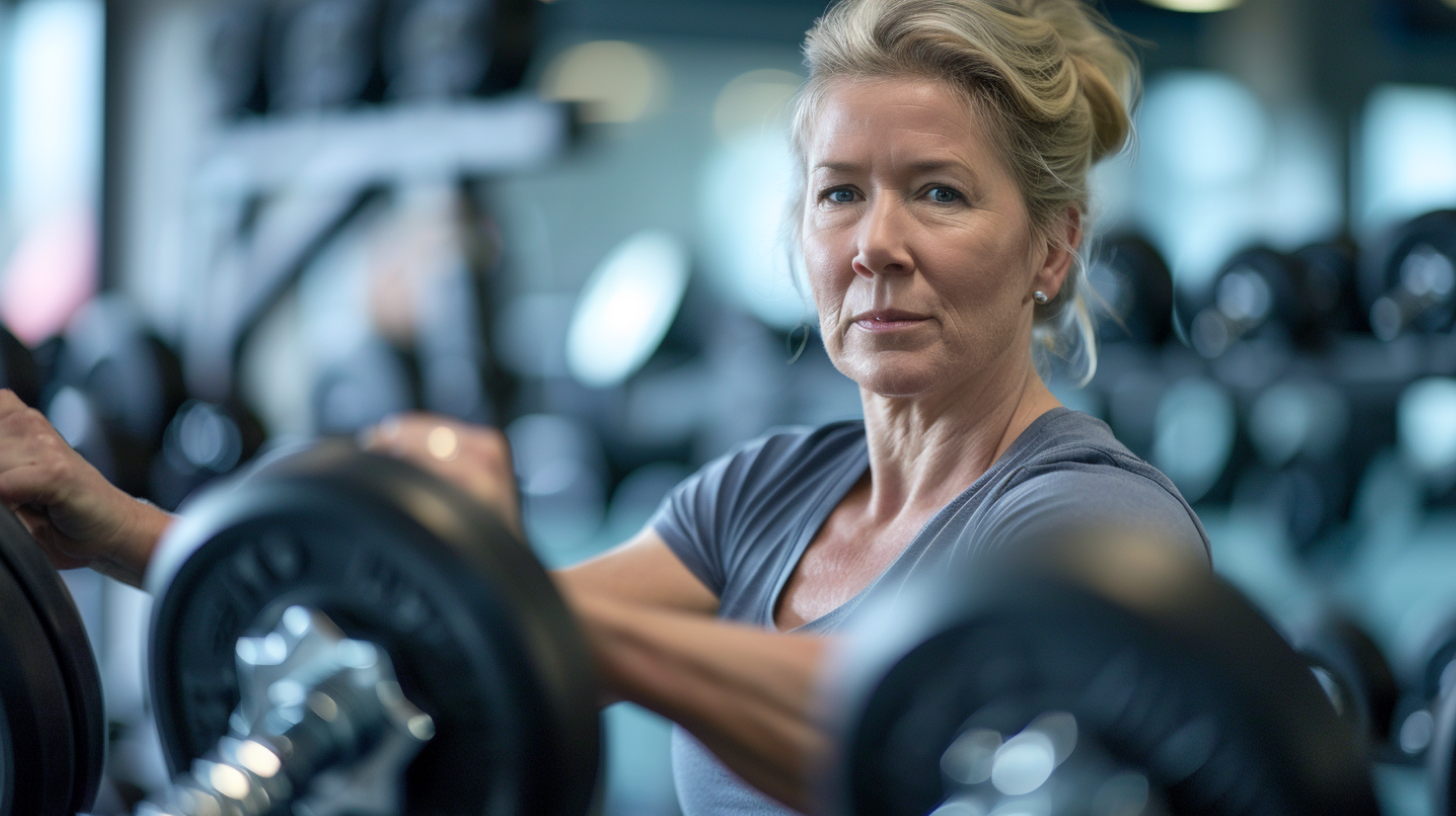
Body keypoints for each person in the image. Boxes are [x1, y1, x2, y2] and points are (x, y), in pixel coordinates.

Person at [0, 0, 1210, 814]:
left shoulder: (1092, 524)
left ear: (1052, 249)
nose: (875, 245)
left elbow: (924, 729)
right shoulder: (767, 492)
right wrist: (113, 522)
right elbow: (439, 631)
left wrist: (577, 633)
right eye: (840, 194)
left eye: (937, 194)